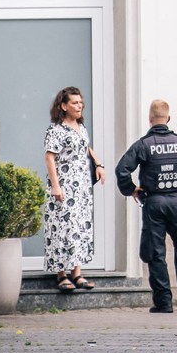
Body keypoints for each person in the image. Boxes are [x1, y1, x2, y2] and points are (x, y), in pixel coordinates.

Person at [115, 99, 177, 314]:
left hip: (154, 204)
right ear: (168, 118)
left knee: (156, 253)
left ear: (150, 119)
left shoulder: (143, 145)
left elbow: (122, 170)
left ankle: (163, 303)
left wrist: (132, 190)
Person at [43, 85, 104, 293]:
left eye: (80, 102)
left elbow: (85, 146)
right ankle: (61, 275)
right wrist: (55, 186)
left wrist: (98, 164)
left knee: (79, 228)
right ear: (64, 106)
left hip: (82, 188)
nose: (79, 106)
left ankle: (77, 273)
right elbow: (50, 157)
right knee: (61, 228)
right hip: (64, 186)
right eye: (75, 103)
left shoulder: (81, 127)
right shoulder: (56, 130)